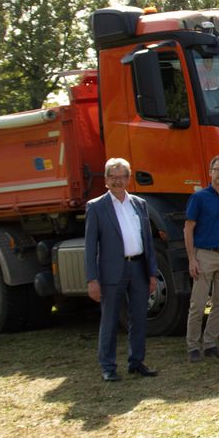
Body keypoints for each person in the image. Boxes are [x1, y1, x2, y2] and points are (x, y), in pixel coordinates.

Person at [84, 158, 158, 382]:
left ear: (128, 178)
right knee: (110, 319)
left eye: (122, 176)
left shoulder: (139, 204)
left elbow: (148, 241)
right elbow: (90, 247)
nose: (117, 181)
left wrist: (152, 273)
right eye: (112, 177)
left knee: (139, 317)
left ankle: (137, 362)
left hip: (138, 268)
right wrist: (92, 279)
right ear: (106, 180)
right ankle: (108, 367)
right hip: (111, 273)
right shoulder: (96, 207)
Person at [184, 155, 219, 362]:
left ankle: (210, 344)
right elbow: (188, 228)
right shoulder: (199, 198)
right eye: (216, 169)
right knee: (197, 304)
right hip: (204, 256)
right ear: (210, 172)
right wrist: (192, 259)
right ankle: (192, 347)